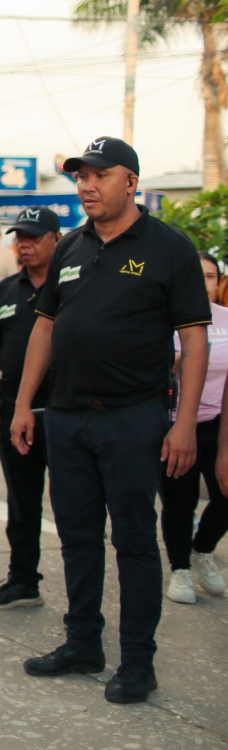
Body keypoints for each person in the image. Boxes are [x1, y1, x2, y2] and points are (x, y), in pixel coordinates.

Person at [13, 137, 211, 705]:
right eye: (80, 176)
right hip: (69, 419)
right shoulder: (70, 248)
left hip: (134, 418)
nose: (86, 186)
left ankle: (137, 662)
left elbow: (193, 342)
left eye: (99, 175)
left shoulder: (169, 248)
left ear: (131, 181)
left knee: (133, 541)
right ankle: (82, 644)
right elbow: (45, 330)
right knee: (76, 537)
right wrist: (26, 404)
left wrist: (185, 424)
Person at [0, 206, 61, 609]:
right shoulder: (7, 290)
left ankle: (81, 595)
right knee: (22, 502)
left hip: (64, 410)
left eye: (33, 238)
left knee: (73, 504)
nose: (24, 245)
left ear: (56, 240)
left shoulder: (73, 284)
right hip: (13, 412)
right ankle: (24, 580)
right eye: (19, 238)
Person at [159, 252, 228, 603]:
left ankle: (202, 550)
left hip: (218, 424)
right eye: (197, 275)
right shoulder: (165, 319)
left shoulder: (227, 320)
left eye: (211, 276)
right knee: (179, 503)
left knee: (225, 496)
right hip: (173, 424)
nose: (204, 282)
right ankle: (180, 569)